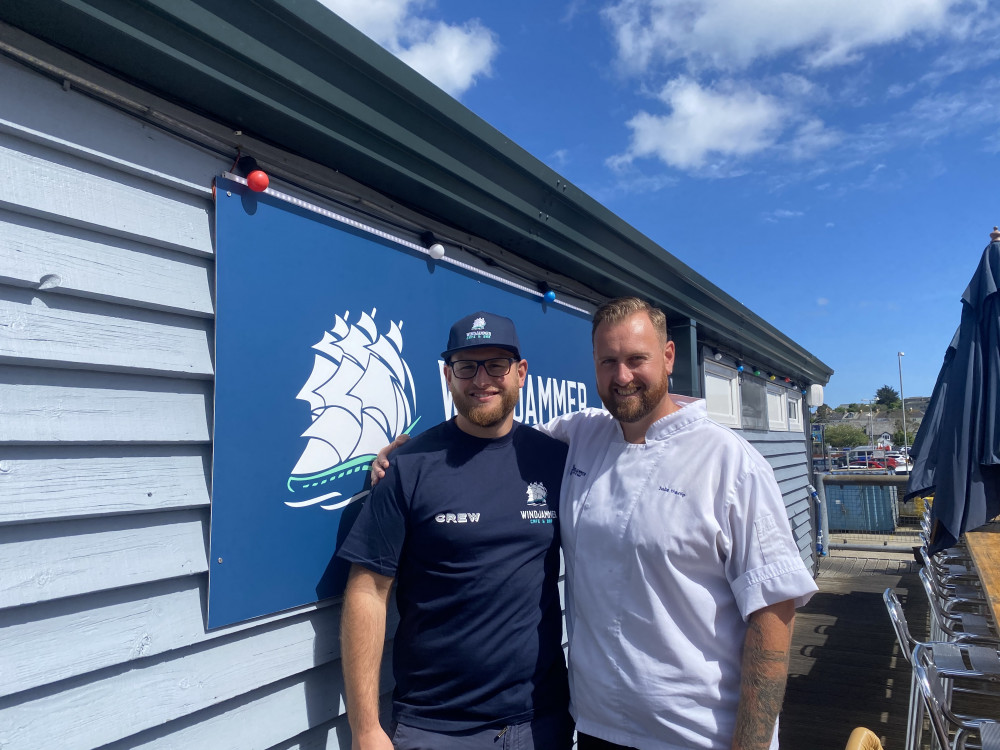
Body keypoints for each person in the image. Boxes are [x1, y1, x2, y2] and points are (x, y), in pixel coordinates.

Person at [373, 297, 817, 750]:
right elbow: (495, 438)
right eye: (608, 362)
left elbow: (773, 613)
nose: (622, 376)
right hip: (596, 729)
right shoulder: (581, 436)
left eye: (636, 359)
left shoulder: (730, 463)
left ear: (668, 358)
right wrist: (407, 457)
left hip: (698, 735)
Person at [338, 311, 573, 750]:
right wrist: (366, 728)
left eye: (497, 365)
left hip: (542, 723)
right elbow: (367, 590)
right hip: (436, 728)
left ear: (520, 373)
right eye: (467, 366)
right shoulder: (409, 467)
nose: (481, 379)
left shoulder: (555, 461)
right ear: (449, 376)